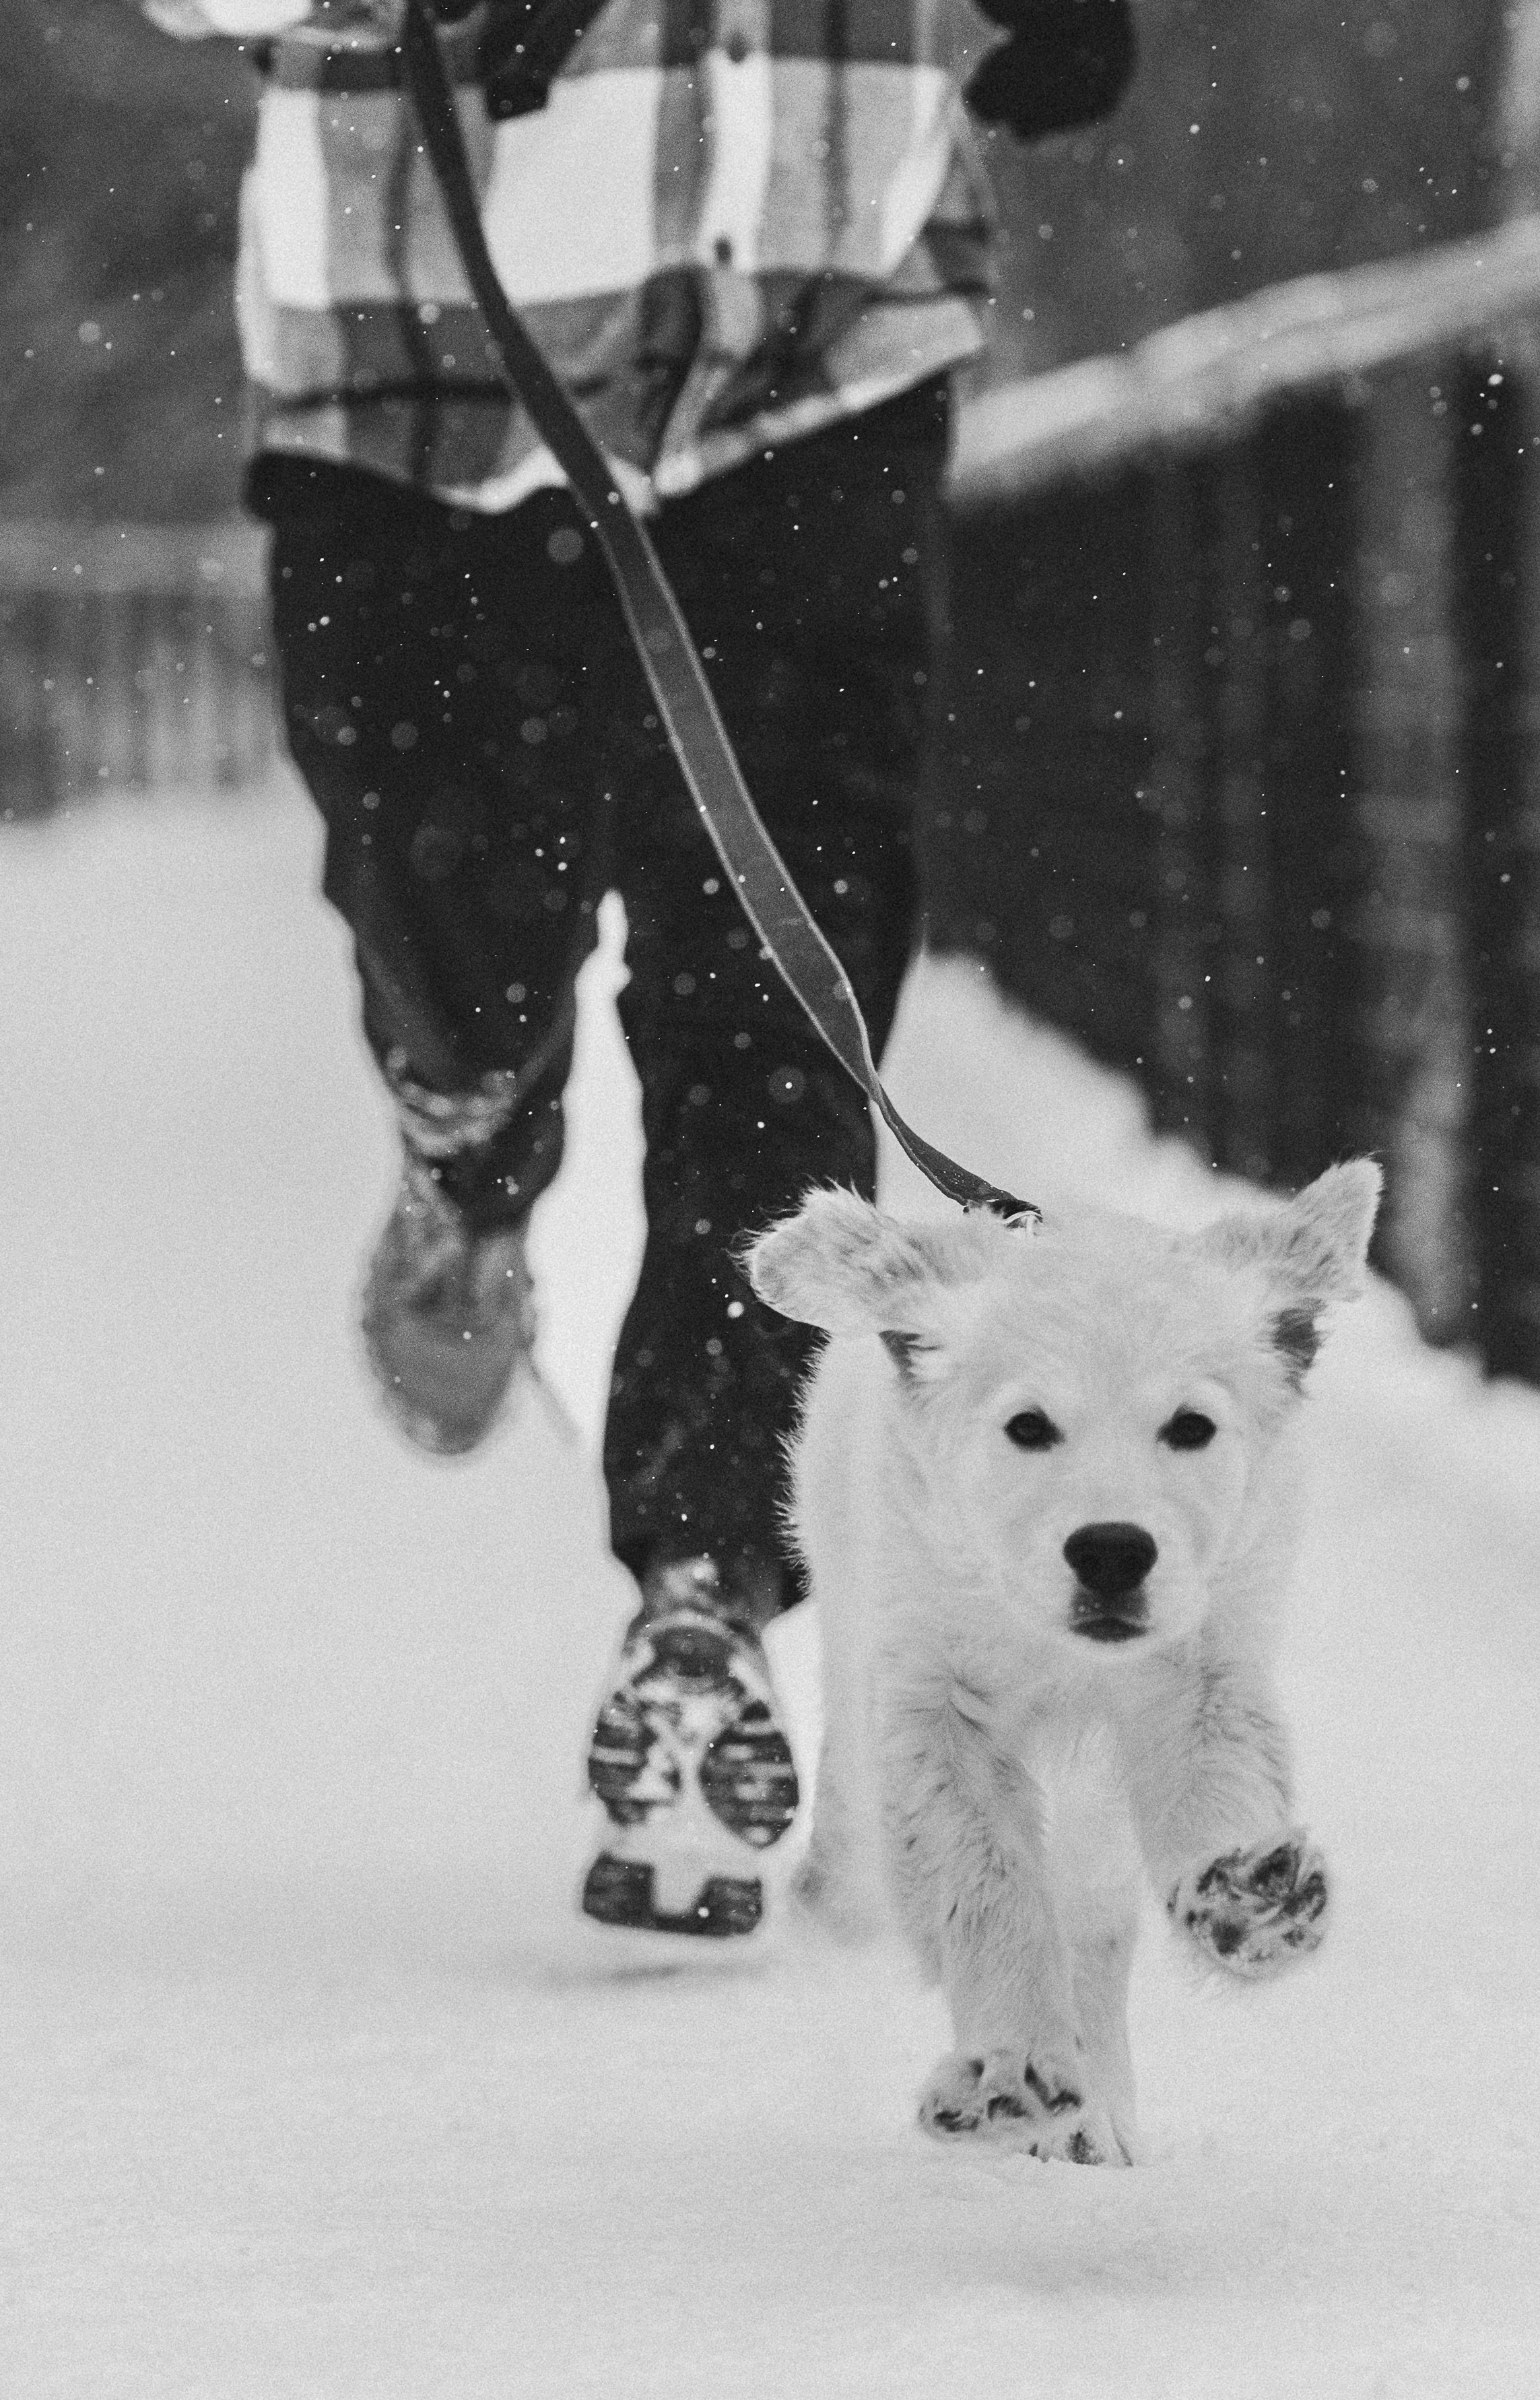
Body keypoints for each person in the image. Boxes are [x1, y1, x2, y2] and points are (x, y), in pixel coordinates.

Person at [144, 0, 1136, 1939]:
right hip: (416, 386)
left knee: (780, 1001)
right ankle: (468, 1151)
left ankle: (704, 1604)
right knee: (458, 941)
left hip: (816, 356)